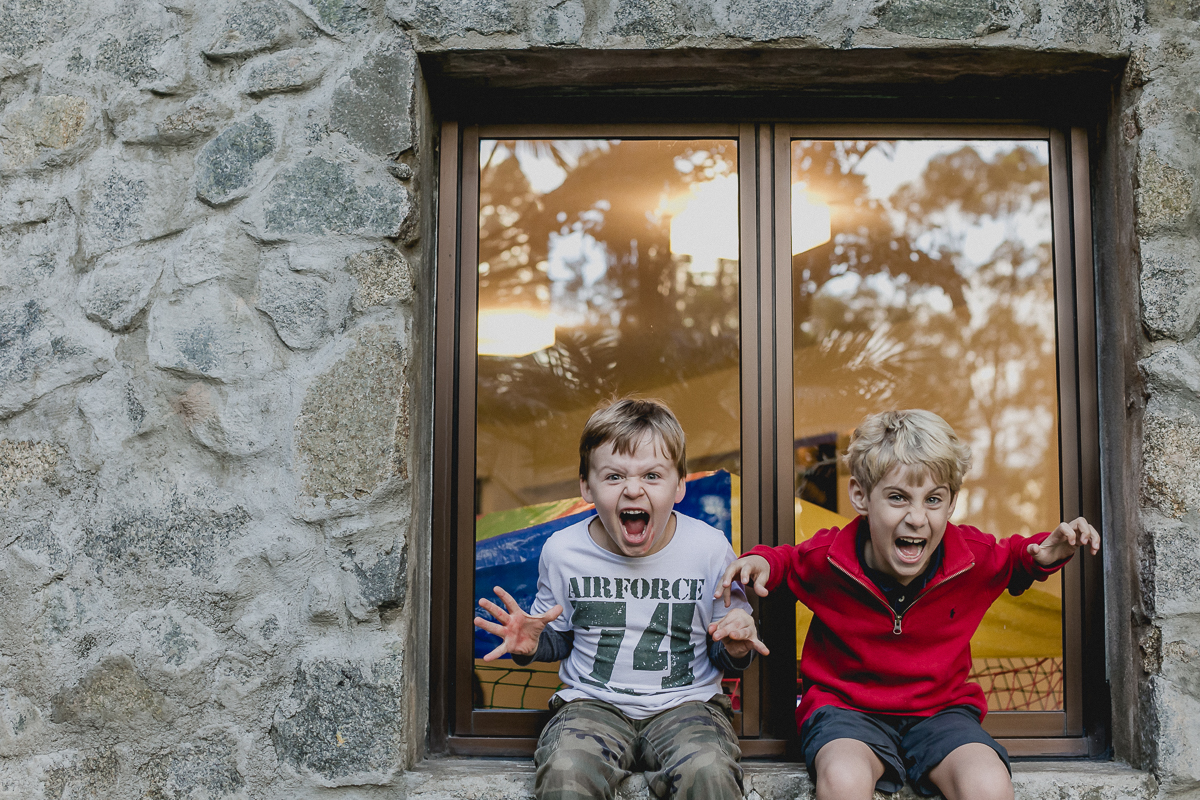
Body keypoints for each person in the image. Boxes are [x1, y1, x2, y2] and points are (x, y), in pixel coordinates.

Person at [715, 409, 1100, 800]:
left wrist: (1046, 553)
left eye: (933, 499)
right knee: (844, 780)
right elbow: (788, 562)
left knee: (989, 784)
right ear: (861, 496)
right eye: (898, 498)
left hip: (941, 713)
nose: (917, 518)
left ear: (951, 504)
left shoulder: (969, 557)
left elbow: (1016, 557)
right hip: (846, 712)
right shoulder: (832, 558)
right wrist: (760, 561)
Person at [474, 397, 768, 800]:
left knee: (709, 771)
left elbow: (726, 654)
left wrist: (735, 647)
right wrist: (531, 644)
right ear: (586, 486)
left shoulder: (709, 548)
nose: (633, 489)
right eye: (614, 477)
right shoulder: (563, 551)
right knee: (565, 771)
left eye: (652, 475)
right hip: (592, 706)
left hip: (687, 705)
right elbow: (559, 637)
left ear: (680, 485)